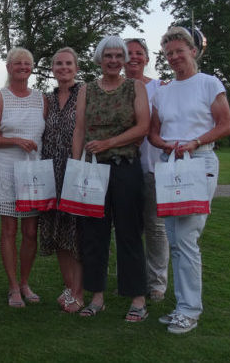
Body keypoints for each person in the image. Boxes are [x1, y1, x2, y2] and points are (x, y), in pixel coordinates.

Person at [149, 26, 230, 334]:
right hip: (170, 164)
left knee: (186, 238)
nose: (173, 57)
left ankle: (189, 310)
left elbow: (224, 125)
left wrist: (195, 142)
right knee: (175, 239)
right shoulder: (163, 91)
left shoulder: (209, 83)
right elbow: (154, 132)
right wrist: (164, 144)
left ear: (193, 52)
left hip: (199, 161)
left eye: (179, 51)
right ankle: (183, 305)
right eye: (168, 53)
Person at [72, 36, 150, 322]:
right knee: (94, 234)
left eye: (119, 56)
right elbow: (80, 130)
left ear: (124, 59)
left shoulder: (135, 87)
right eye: (109, 56)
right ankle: (96, 297)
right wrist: (76, 166)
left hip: (125, 167)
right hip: (93, 170)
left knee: (129, 232)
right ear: (100, 59)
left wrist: (108, 143)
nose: (114, 61)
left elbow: (143, 126)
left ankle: (138, 299)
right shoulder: (87, 89)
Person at [0, 47, 46, 308]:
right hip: (6, 168)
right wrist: (16, 141)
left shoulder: (41, 98)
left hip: (33, 171)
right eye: (17, 63)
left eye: (27, 63)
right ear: (9, 67)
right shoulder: (0, 97)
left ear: (31, 68)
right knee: (9, 230)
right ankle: (12, 287)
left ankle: (25, 282)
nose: (22, 67)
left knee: (31, 232)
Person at [38, 47, 84, 313]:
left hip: (75, 170)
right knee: (58, 233)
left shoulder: (85, 93)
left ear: (76, 67)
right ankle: (68, 288)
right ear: (52, 69)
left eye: (68, 63)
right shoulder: (48, 99)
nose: (63, 68)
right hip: (50, 173)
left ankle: (79, 292)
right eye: (58, 64)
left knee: (76, 234)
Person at [124, 37, 168, 303]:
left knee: (156, 227)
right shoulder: (116, 87)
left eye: (139, 53)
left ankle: (157, 282)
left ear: (147, 58)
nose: (133, 57)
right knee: (129, 228)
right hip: (125, 166)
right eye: (128, 53)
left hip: (153, 166)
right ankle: (132, 278)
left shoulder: (160, 88)